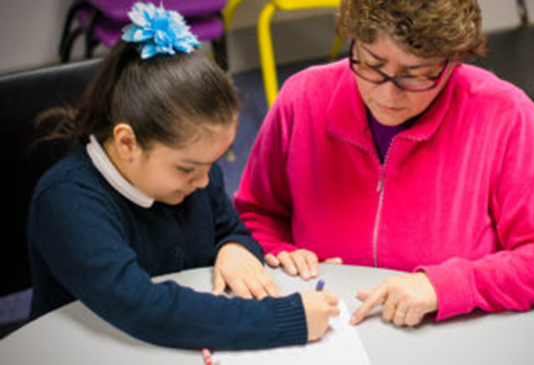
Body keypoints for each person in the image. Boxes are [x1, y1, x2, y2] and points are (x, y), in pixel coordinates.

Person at [234, 0, 534, 328]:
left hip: (462, 334)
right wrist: (280, 253)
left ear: (455, 59)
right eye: (373, 64)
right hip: (334, 329)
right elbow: (253, 215)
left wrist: (444, 287)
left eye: (415, 74)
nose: (387, 94)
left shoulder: (503, 114)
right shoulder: (304, 97)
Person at [28, 2, 338, 350]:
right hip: (79, 348)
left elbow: (231, 227)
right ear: (127, 142)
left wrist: (234, 246)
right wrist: (287, 319)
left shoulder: (195, 173)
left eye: (214, 163)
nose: (206, 182)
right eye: (188, 168)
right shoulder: (68, 203)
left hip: (167, 343)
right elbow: (143, 306)